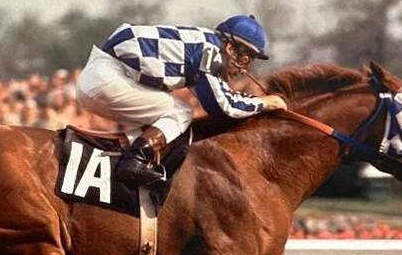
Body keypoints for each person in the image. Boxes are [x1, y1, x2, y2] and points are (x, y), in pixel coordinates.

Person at [76, 14, 288, 184]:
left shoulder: (201, 48)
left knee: (169, 115)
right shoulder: (210, 51)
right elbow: (223, 106)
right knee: (181, 112)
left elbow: (221, 96)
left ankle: (126, 157)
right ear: (230, 48)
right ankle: (135, 159)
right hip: (107, 77)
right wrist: (264, 103)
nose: (243, 70)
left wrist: (256, 101)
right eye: (245, 59)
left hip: (100, 76)